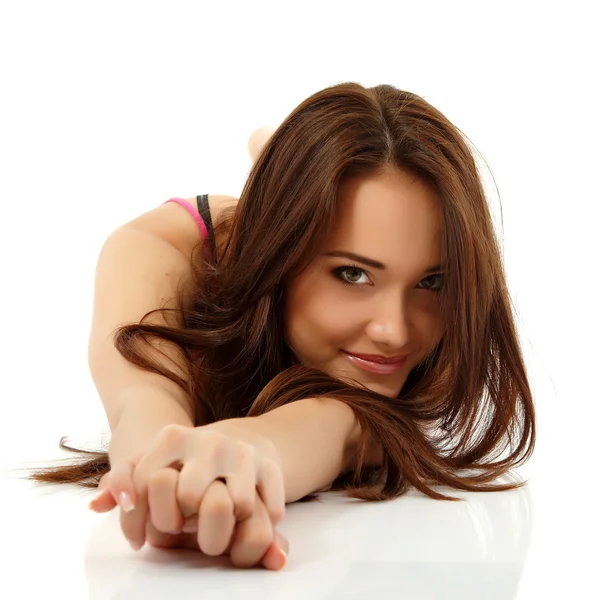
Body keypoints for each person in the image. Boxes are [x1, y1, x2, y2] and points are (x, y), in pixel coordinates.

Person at [29, 82, 536, 571]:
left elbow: (337, 427)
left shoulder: (413, 351)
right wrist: (169, 474)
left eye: (432, 281)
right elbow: (143, 401)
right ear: (280, 261)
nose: (395, 333)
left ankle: (270, 150)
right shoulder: (162, 248)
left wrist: (255, 451)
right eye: (352, 273)